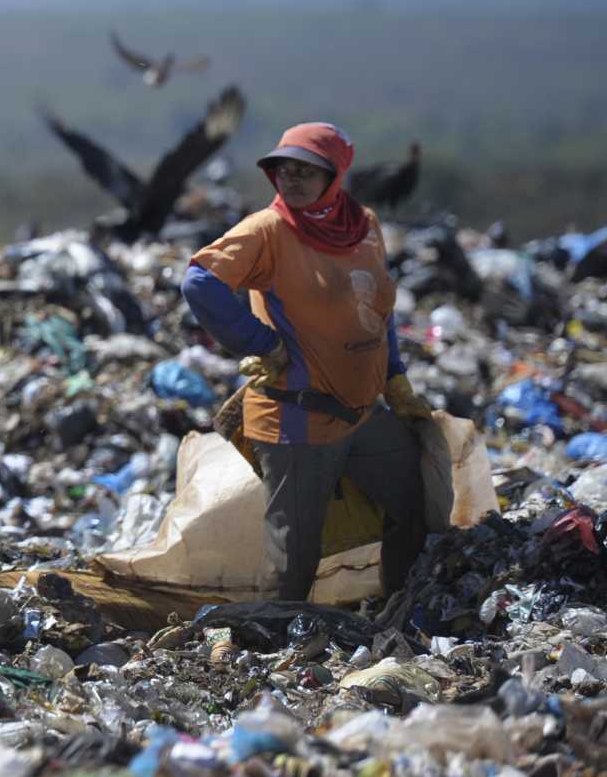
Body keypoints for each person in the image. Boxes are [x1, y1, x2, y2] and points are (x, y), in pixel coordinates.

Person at [181, 122, 432, 601]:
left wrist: (395, 376)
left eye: (306, 170)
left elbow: (379, 307)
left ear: (335, 176)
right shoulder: (268, 231)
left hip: (361, 413)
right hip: (298, 419)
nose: (291, 179)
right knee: (294, 554)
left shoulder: (364, 226)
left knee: (412, 503)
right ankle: (274, 655)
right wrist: (262, 344)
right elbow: (200, 281)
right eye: (282, 169)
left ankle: (398, 610)